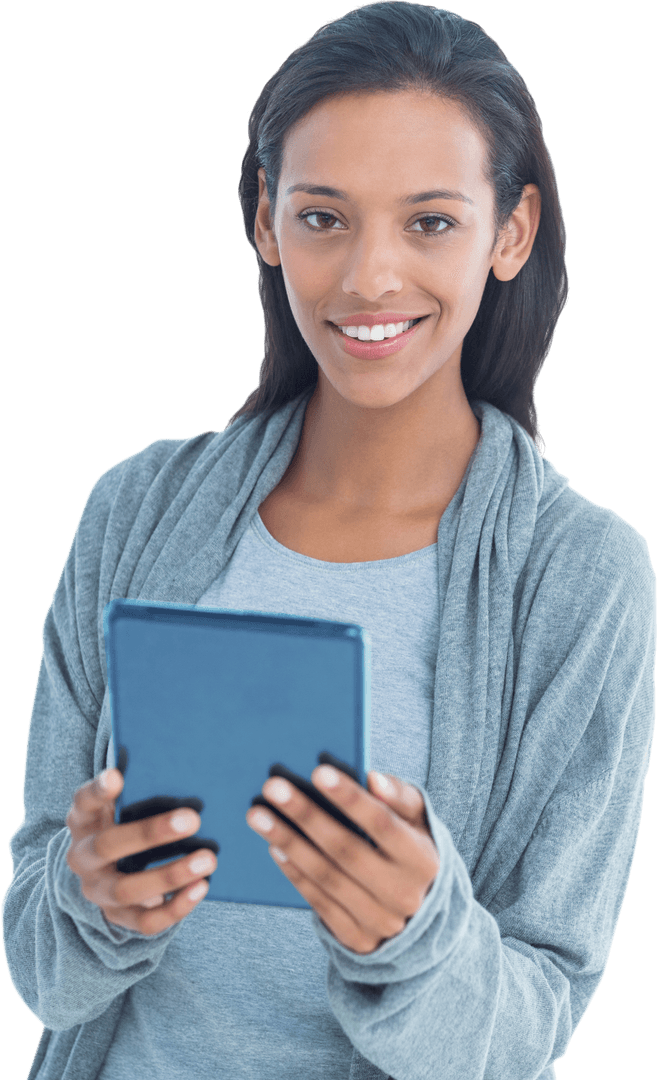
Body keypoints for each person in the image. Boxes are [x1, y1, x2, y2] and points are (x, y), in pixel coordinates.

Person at [2, 3, 655, 1079]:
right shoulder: (131, 511)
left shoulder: (583, 578)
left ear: (512, 232)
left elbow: (535, 1023)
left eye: (430, 222)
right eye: (323, 218)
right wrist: (92, 901)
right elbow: (41, 963)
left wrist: (413, 934)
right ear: (266, 223)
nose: (368, 278)